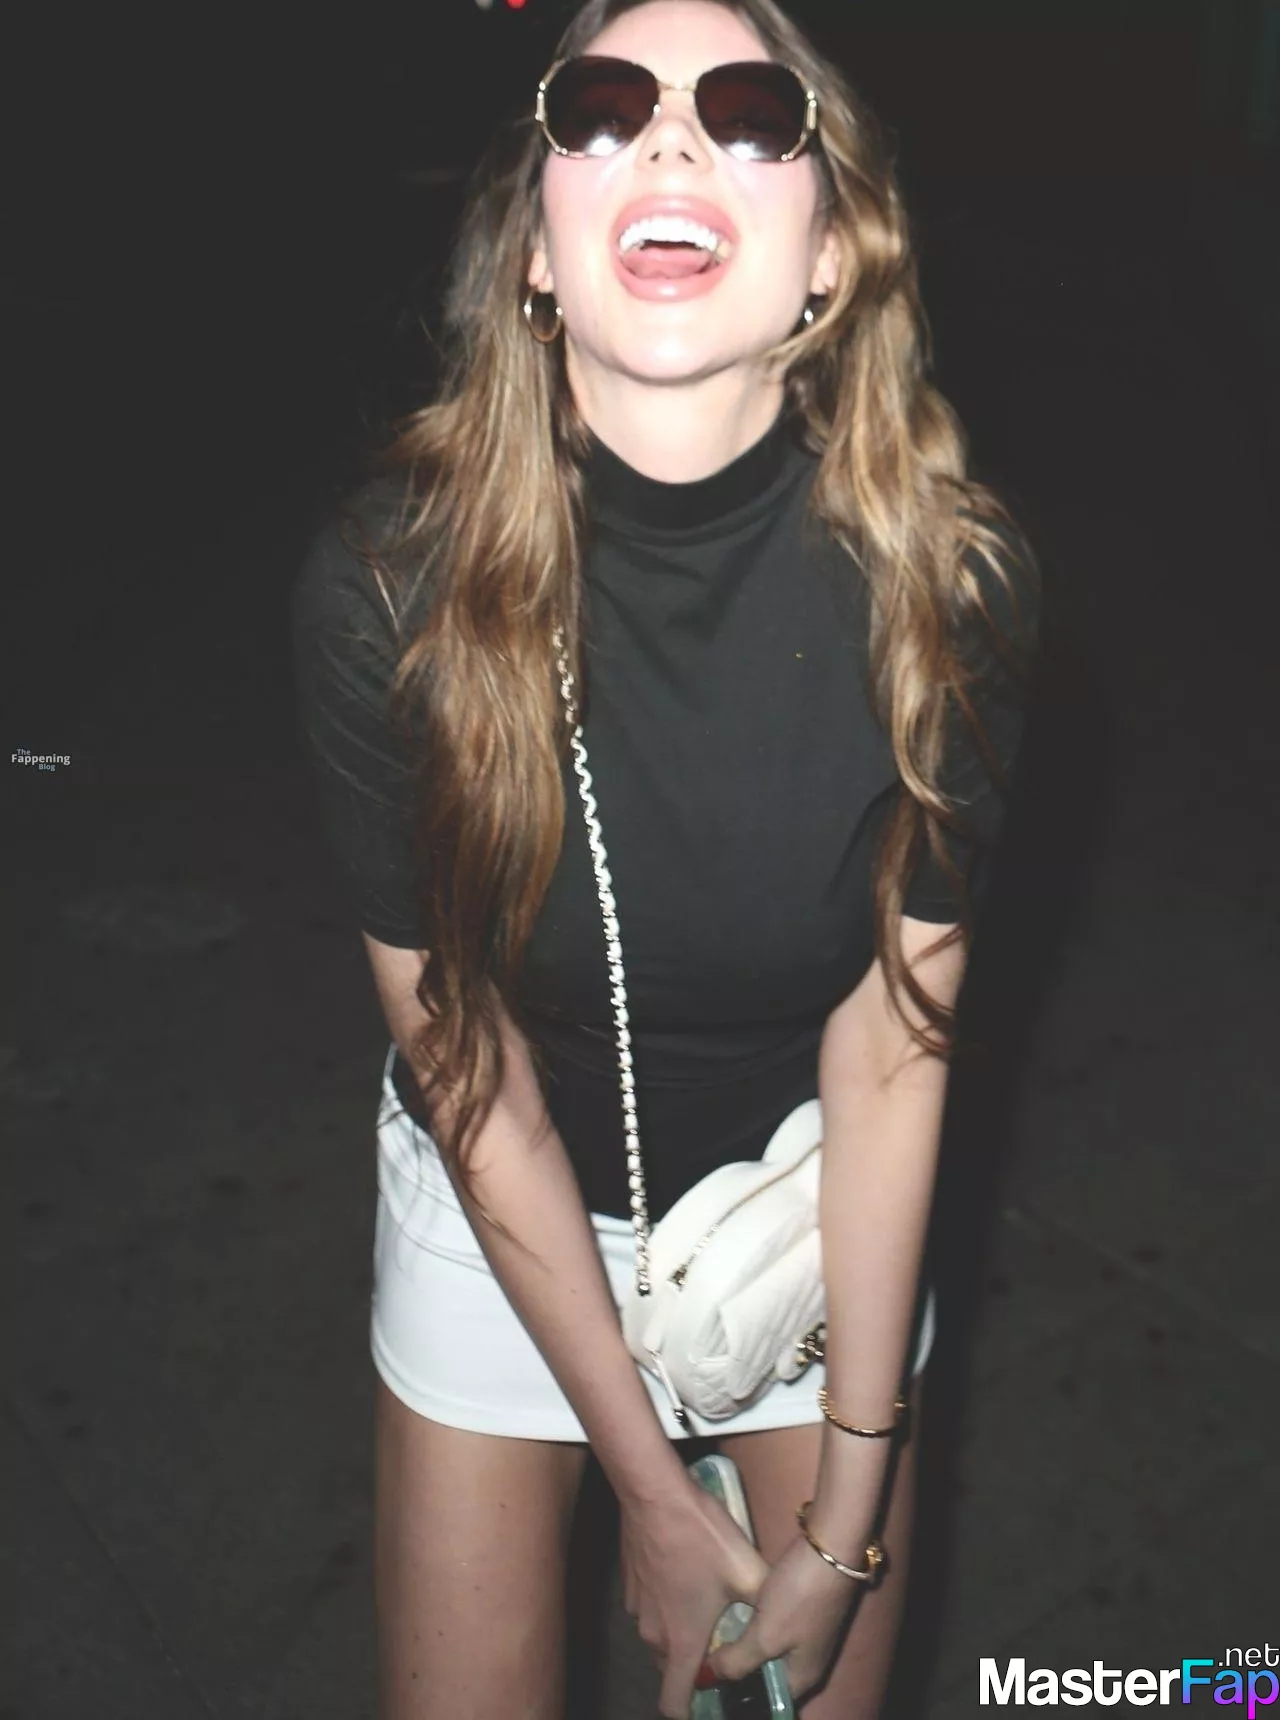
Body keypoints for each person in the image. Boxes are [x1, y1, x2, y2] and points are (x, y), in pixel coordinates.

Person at [289, 2, 1040, 1716]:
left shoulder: (950, 594)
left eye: (753, 109)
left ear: (832, 259)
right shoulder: (389, 593)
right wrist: (648, 1487)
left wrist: (850, 1508)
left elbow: (896, 1049)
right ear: (536, 252)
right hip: (504, 1209)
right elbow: (466, 1069)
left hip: (806, 1207)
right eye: (607, 104)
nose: (675, 136)